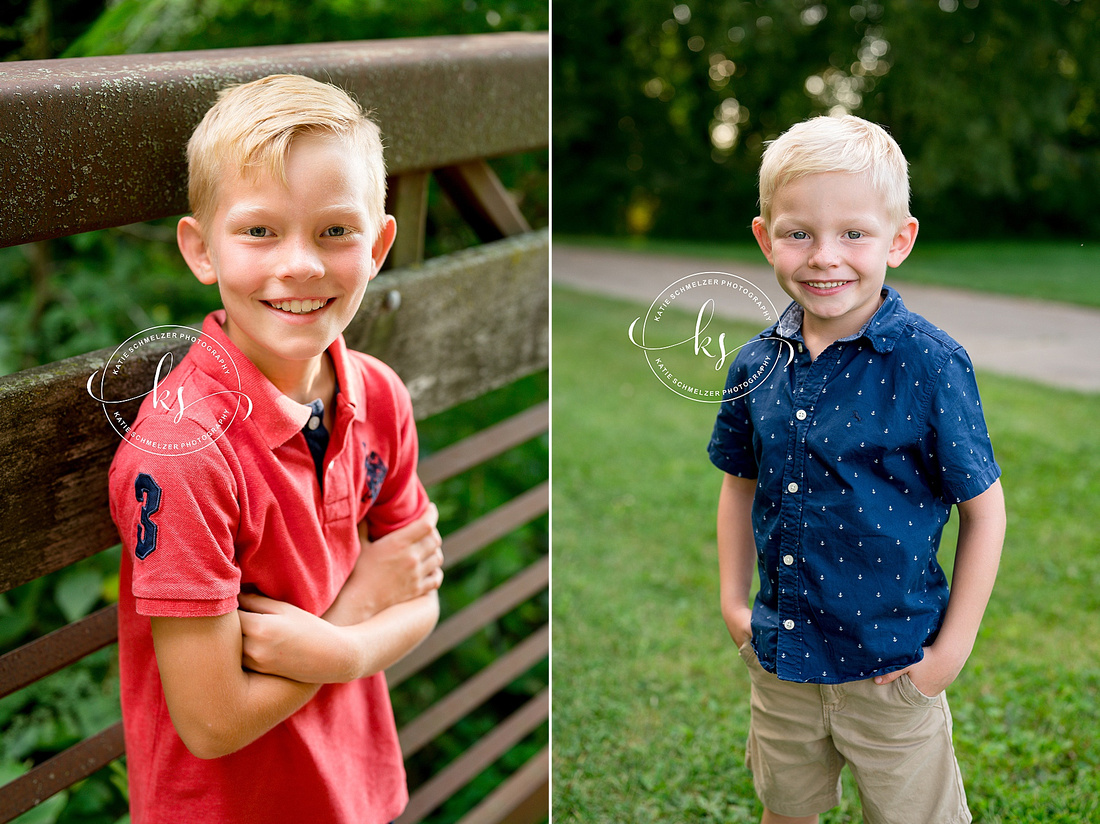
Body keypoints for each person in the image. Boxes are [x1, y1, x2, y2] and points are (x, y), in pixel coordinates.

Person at [108, 74, 444, 824]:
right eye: (260, 231)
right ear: (202, 250)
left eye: (335, 230)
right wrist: (357, 622)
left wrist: (348, 651)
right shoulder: (184, 452)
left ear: (379, 243)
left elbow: (421, 589)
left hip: (356, 791)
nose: (301, 264)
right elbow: (212, 721)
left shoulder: (378, 394)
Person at [708, 114, 1006, 824]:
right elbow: (737, 482)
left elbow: (985, 510)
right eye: (798, 232)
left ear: (897, 241)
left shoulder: (929, 364)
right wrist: (733, 602)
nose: (823, 256)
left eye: (853, 233)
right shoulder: (757, 364)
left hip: (895, 667)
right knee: (786, 810)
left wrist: (949, 656)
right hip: (782, 657)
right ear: (765, 238)